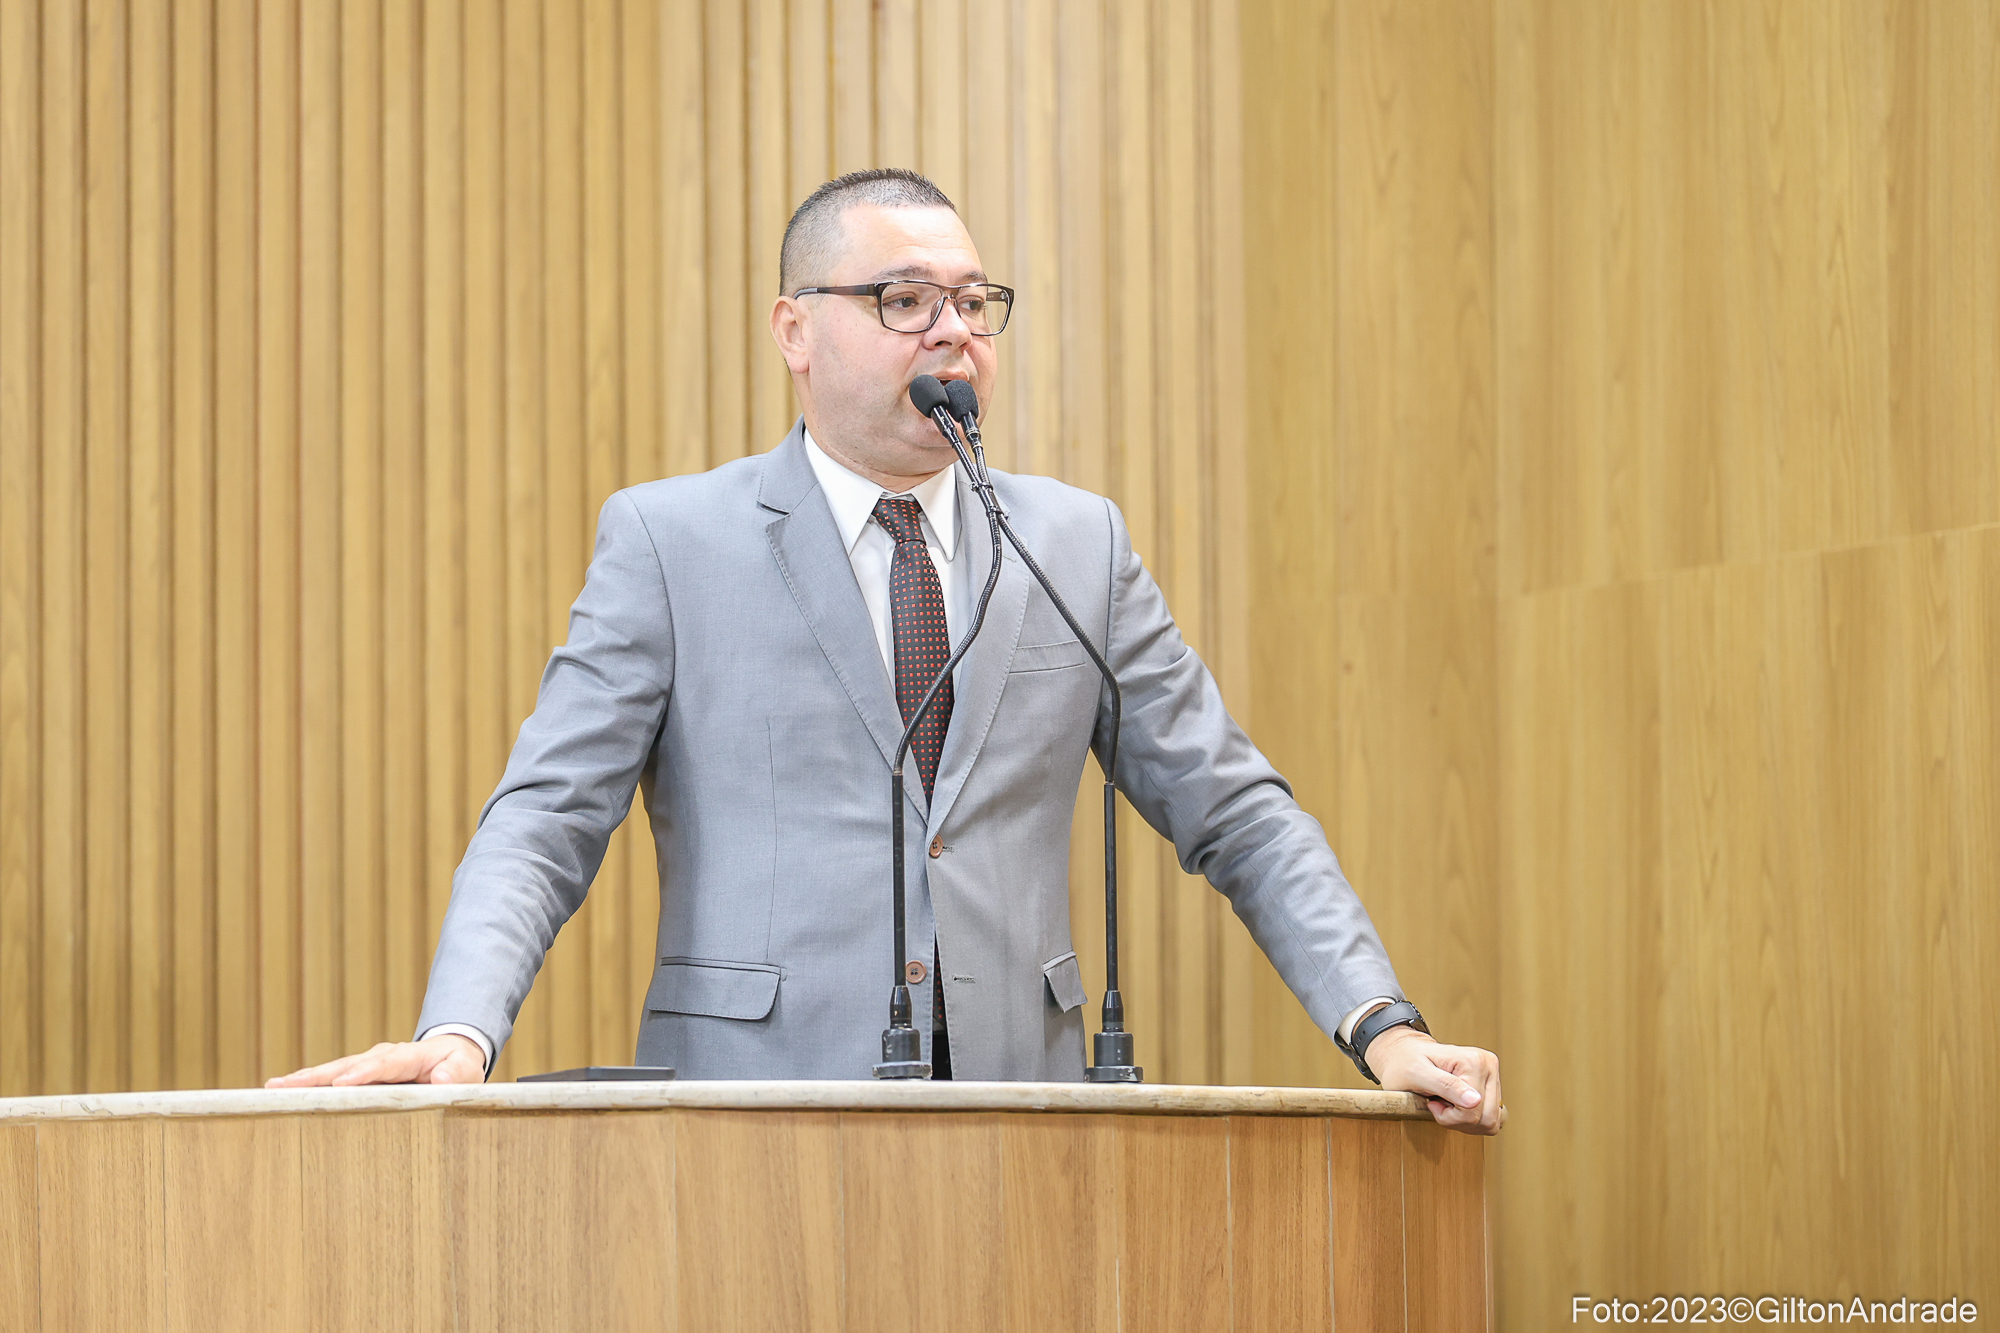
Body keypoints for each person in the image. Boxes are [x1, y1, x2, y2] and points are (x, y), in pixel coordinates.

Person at [268, 168, 1503, 1135]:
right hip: (749, 1122)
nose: (951, 331)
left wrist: (1381, 1023)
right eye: (903, 301)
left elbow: (1233, 808)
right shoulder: (669, 542)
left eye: (973, 302)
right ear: (794, 330)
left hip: (1023, 1118)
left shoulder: (1073, 545)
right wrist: (463, 1031)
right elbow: (547, 816)